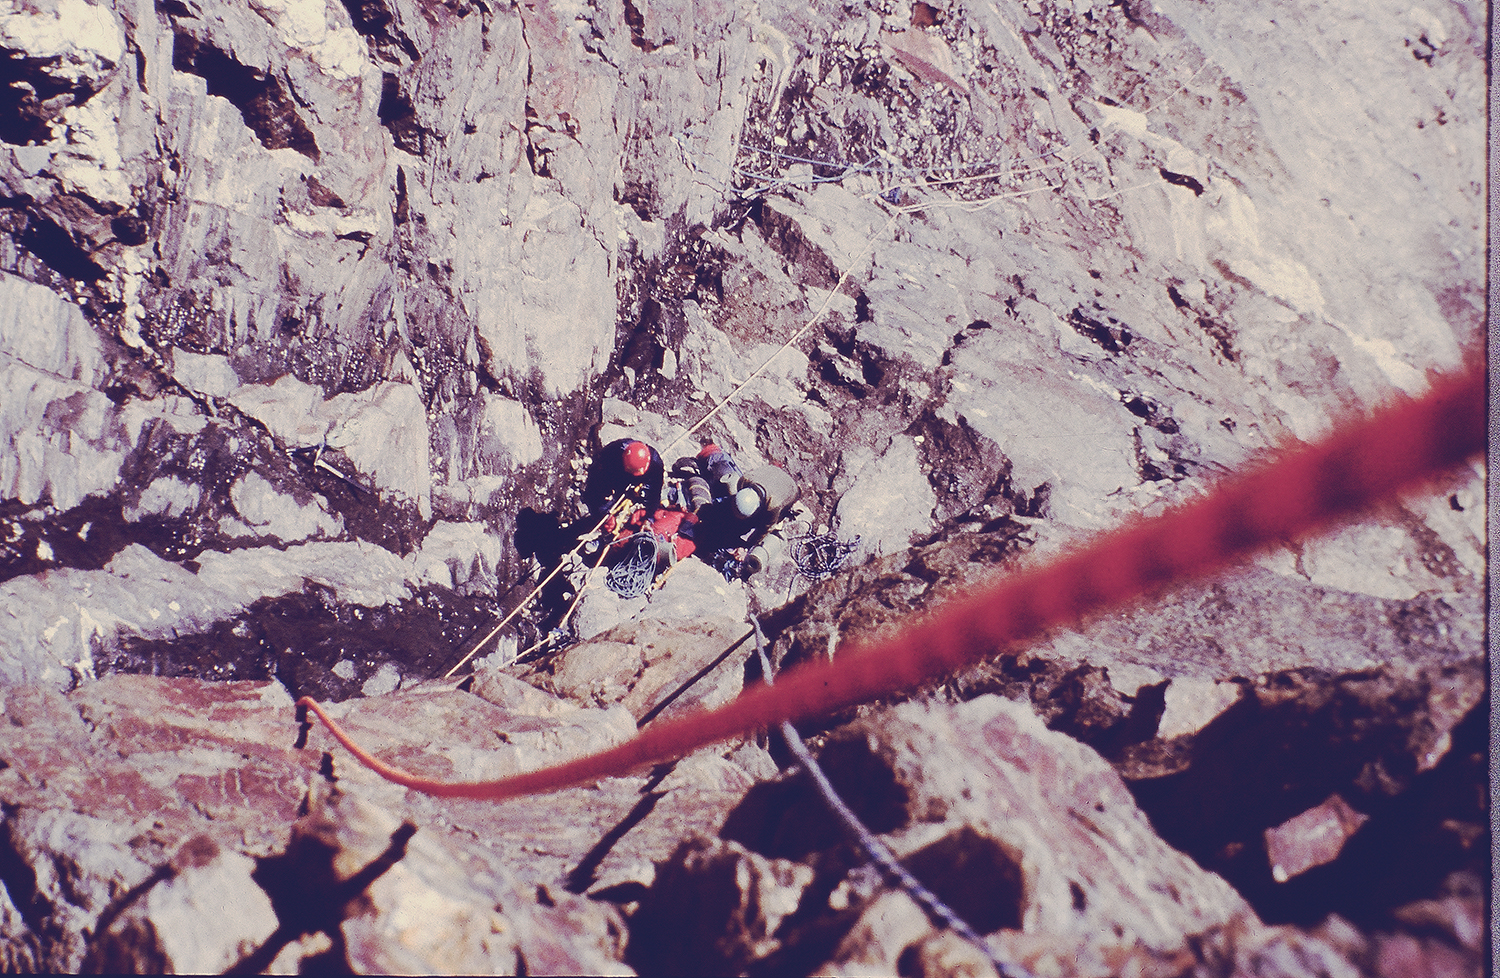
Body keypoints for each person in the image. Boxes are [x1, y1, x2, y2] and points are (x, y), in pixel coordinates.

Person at [582, 438, 664, 518]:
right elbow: (600, 466)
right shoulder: (615, 450)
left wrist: (649, 516)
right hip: (617, 471)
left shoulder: (655, 465)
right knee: (601, 508)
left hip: (636, 478)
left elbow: (655, 492)